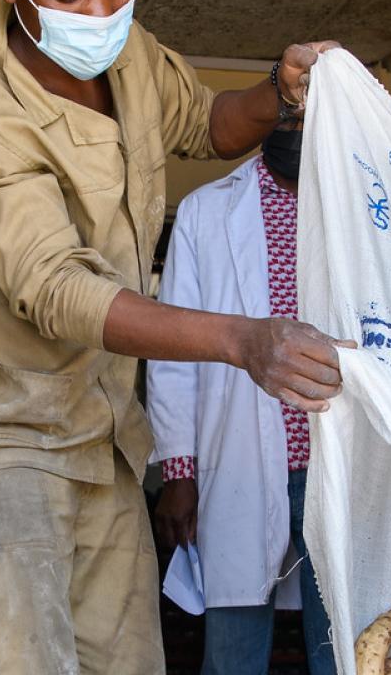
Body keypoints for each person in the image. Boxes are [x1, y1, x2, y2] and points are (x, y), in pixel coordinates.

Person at [0, 0, 349, 671]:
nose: (100, 12)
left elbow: (208, 124)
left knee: (130, 660)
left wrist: (278, 95)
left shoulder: (131, 57)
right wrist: (241, 341)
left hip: (103, 437)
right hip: (2, 441)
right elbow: (56, 288)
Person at [147, 125, 333, 675]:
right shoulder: (207, 211)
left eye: (309, 121)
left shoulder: (361, 203)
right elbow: (173, 350)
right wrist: (180, 474)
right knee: (233, 654)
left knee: (345, 647)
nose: (296, 131)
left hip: (336, 468)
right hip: (239, 463)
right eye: (287, 119)